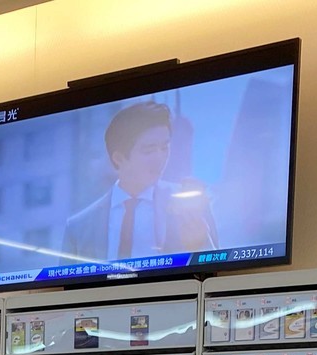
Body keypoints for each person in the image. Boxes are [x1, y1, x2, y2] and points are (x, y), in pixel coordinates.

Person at [62, 101, 218, 263]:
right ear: (119, 158)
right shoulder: (78, 226)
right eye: (149, 150)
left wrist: (200, 245)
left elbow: (217, 269)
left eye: (164, 148)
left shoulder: (190, 204)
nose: (160, 158)